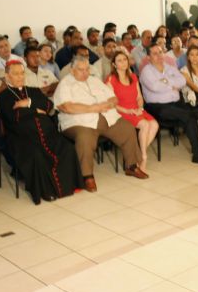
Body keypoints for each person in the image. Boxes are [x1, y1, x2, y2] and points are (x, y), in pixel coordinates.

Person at [54, 57, 148, 191]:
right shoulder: (65, 84)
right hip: (79, 122)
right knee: (85, 137)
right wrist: (93, 108)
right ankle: (87, 176)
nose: (85, 72)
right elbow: (67, 107)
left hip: (105, 117)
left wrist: (108, 104)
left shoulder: (94, 80)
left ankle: (131, 166)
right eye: (81, 70)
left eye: (87, 69)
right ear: (72, 70)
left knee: (127, 128)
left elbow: (113, 98)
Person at [0, 61, 83, 204]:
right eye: (15, 74)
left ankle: (70, 185)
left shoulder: (33, 90)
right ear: (7, 76)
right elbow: (13, 117)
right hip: (22, 138)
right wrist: (36, 110)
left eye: (22, 73)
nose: (20, 77)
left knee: (67, 148)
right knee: (36, 155)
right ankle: (46, 191)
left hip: (47, 133)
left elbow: (48, 105)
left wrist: (28, 103)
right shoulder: (3, 96)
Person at [140, 45, 198, 165]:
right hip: (156, 107)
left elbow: (182, 81)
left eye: (160, 52)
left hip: (176, 104)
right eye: (155, 53)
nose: (159, 56)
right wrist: (171, 84)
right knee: (188, 114)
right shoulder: (146, 71)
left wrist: (165, 82)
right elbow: (155, 87)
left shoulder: (170, 67)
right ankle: (194, 113)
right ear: (149, 57)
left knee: (189, 117)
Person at [107, 51, 158, 172]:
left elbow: (139, 97)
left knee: (155, 125)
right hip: (121, 111)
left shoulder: (133, 77)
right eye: (119, 60)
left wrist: (140, 108)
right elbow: (111, 103)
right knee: (145, 125)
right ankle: (144, 158)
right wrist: (127, 110)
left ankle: (138, 154)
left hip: (136, 109)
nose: (123, 63)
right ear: (114, 64)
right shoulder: (111, 79)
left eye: (125, 59)